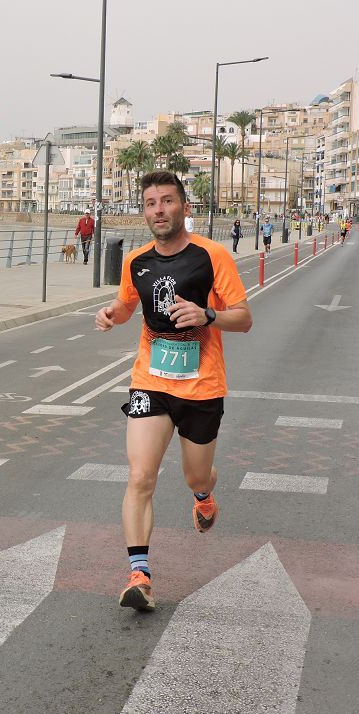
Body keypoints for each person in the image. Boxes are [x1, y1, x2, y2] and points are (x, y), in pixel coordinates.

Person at [95, 171, 252, 612]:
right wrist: (111, 313)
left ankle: (204, 494)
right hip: (151, 381)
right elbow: (128, 303)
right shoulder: (137, 261)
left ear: (184, 206)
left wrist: (207, 315)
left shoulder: (212, 255)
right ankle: (139, 575)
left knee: (195, 475)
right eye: (150, 203)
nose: (158, 210)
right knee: (140, 475)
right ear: (143, 211)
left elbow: (243, 317)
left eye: (167, 201)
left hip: (202, 385)